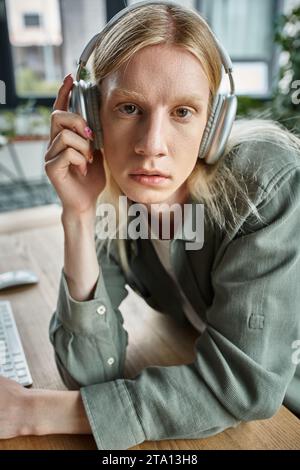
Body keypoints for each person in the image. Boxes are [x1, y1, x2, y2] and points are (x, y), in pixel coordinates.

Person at [0, 0, 300, 450]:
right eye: (128, 108)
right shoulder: (120, 200)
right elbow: (92, 371)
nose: (151, 146)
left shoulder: (264, 185)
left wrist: (34, 412)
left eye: (183, 112)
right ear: (91, 115)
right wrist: (79, 215)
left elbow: (245, 386)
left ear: (214, 125)